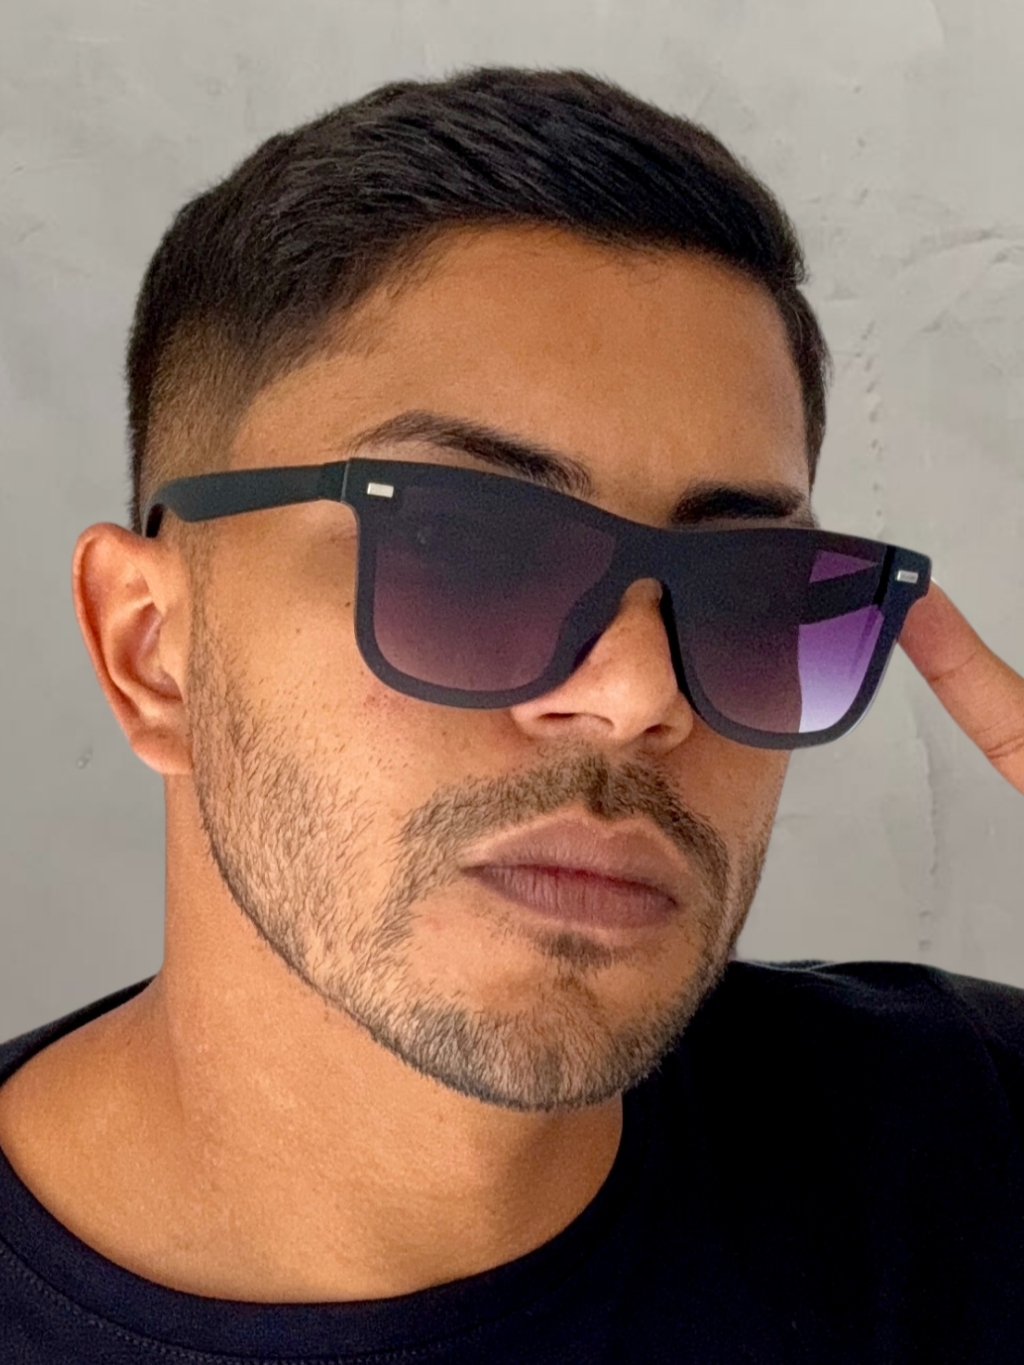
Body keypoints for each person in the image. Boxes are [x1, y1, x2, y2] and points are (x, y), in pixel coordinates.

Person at [1, 66, 1022, 1363]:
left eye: (749, 588)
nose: (640, 694)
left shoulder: (966, 1147)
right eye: (465, 548)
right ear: (151, 651)